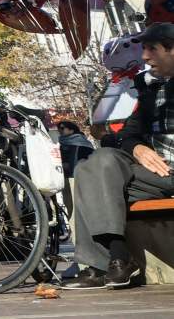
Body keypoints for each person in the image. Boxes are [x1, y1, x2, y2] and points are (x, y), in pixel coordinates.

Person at [62, 20, 174, 290]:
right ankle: (115, 262)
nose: (145, 57)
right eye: (143, 49)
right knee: (93, 166)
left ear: (171, 50)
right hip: (153, 172)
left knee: (96, 176)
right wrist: (136, 146)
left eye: (152, 49)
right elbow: (128, 132)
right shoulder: (148, 87)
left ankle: (112, 259)